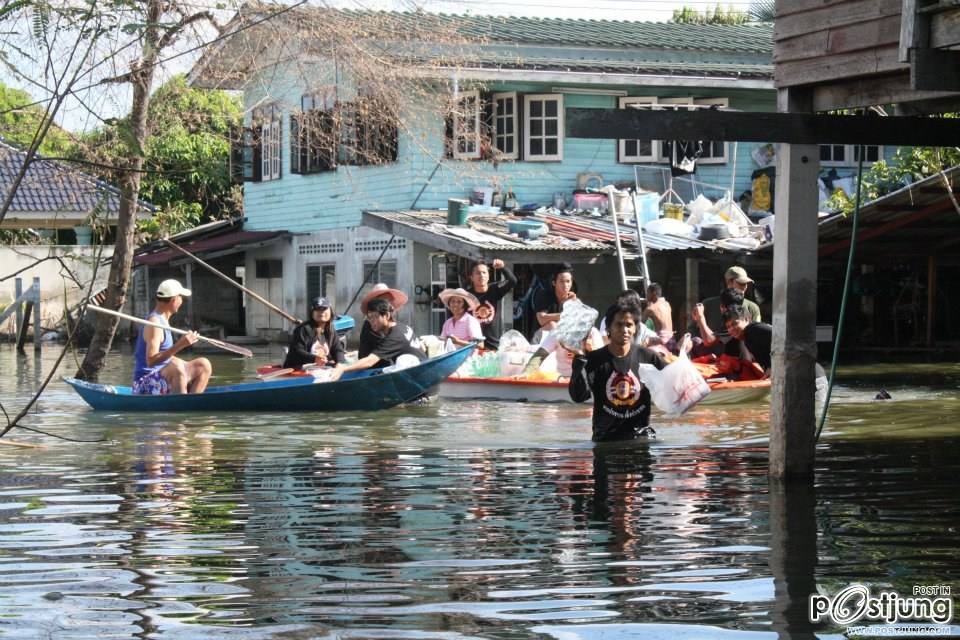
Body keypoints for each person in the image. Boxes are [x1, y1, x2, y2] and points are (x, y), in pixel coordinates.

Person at [569, 302, 667, 442]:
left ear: (635, 329)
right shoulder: (594, 359)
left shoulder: (648, 357)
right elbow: (578, 397)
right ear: (608, 328)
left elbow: (674, 384)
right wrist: (579, 359)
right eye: (619, 325)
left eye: (629, 325)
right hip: (606, 440)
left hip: (640, 439)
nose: (624, 330)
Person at [132, 279, 211, 395]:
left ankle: (192, 402)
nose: (181, 301)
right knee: (177, 369)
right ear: (174, 300)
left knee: (203, 364)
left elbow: (168, 358)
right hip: (144, 384)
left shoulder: (163, 320)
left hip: (162, 376)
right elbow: (151, 361)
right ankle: (182, 405)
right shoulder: (155, 323)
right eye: (180, 297)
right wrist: (181, 344)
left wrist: (185, 365)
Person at [338, 298, 426, 374]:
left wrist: (343, 369)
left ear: (387, 315)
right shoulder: (402, 327)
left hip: (417, 373)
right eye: (369, 317)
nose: (371, 321)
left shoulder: (394, 337)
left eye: (375, 317)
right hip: (422, 367)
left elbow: (369, 361)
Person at [521, 312, 603, 380]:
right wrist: (526, 372)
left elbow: (602, 361)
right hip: (563, 378)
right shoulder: (558, 332)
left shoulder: (593, 333)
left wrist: (591, 350)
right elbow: (540, 355)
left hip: (588, 378)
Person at [465, 258, 517, 350]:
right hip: (473, 345)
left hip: (494, 345)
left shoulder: (495, 289)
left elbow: (512, 281)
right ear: (471, 277)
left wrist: (502, 268)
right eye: (478, 273)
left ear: (488, 276)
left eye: (484, 273)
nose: (481, 275)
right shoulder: (466, 296)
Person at [282, 296, 345, 370]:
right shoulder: (303, 329)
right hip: (300, 370)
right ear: (312, 312)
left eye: (324, 309)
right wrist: (314, 359)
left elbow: (338, 350)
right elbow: (297, 352)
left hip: (321, 369)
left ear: (331, 311)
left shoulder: (331, 330)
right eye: (318, 309)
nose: (321, 312)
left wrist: (340, 363)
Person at [358, 282, 409, 357]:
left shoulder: (393, 325)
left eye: (389, 301)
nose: (388, 304)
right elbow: (374, 357)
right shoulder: (372, 325)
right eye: (385, 301)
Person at [690, 287, 745, 355]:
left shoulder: (733, 319)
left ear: (722, 306)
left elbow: (709, 341)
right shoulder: (736, 315)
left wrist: (701, 317)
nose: (732, 327)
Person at [722, 304, 773, 374]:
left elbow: (781, 338)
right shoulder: (747, 336)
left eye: (735, 323)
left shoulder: (754, 330)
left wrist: (772, 367)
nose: (731, 329)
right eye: (728, 327)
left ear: (747, 319)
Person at [534, 265, 577, 332]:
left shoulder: (572, 298)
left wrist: (575, 304)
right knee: (553, 325)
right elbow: (541, 319)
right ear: (554, 283)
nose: (565, 285)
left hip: (564, 337)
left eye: (568, 281)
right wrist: (563, 315)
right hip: (543, 337)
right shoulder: (544, 295)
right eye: (561, 281)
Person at [641, 282, 674, 349]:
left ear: (653, 293)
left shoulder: (650, 308)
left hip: (660, 340)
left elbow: (639, 325)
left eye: (647, 293)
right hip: (672, 339)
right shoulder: (667, 304)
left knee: (641, 347)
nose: (646, 295)